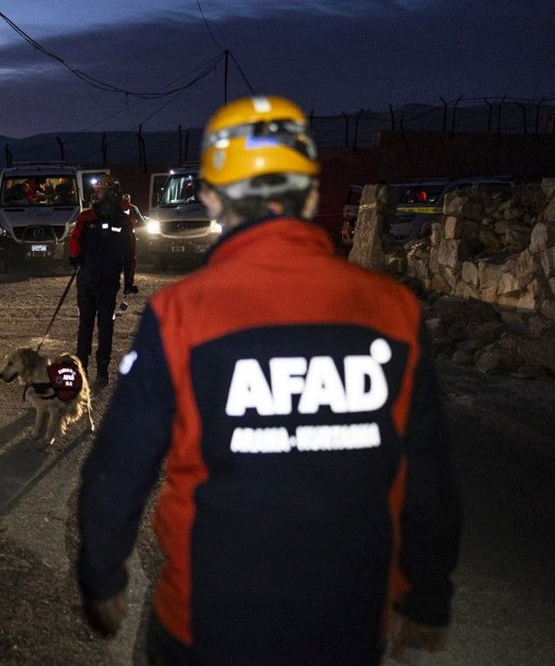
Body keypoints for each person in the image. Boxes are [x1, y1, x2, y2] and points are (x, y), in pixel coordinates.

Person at [75, 96, 461, 663]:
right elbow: (427, 472)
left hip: (205, 627)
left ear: (211, 197)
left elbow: (118, 468)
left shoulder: (182, 314)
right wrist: (426, 597)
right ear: (309, 194)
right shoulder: (394, 312)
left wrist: (102, 576)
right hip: (348, 625)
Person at [68, 175, 138, 385]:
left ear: (110, 193)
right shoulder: (86, 217)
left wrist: (128, 282)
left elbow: (130, 254)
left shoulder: (123, 220)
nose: (96, 193)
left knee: (105, 325)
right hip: (87, 280)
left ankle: (102, 370)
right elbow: (74, 243)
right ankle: (82, 370)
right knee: (86, 324)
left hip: (108, 282)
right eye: (96, 190)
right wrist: (76, 259)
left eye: (100, 190)